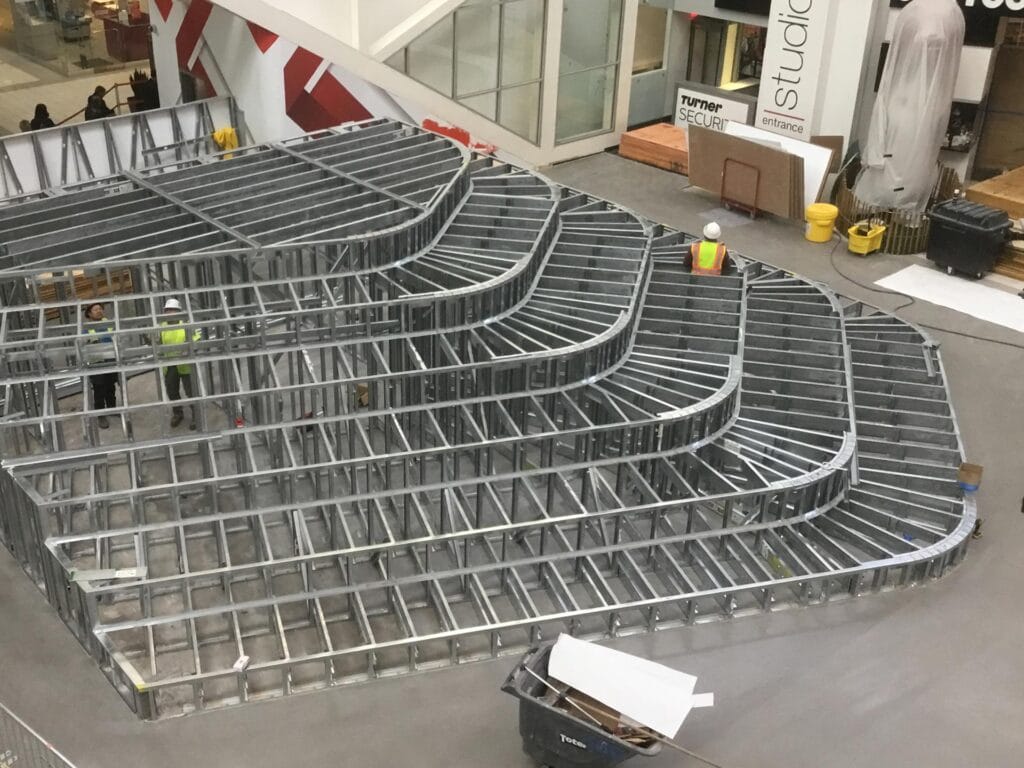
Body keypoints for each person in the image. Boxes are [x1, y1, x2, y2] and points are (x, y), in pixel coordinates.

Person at [158, 298, 200, 430]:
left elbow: (196, 338)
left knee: (191, 391)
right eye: (168, 310)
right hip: (170, 364)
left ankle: (196, 416)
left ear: (179, 311)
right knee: (172, 391)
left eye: (173, 310)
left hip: (185, 363)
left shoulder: (186, 324)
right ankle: (178, 413)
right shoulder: (161, 326)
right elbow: (156, 342)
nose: (170, 313)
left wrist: (189, 349)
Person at [83, 302, 117, 429]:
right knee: (99, 389)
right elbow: (83, 345)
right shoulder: (86, 328)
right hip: (96, 362)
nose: (99, 311)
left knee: (110, 386)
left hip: (110, 360)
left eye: (100, 309)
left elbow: (116, 336)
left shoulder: (108, 323)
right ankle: (101, 415)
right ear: (89, 314)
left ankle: (112, 409)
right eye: (95, 309)